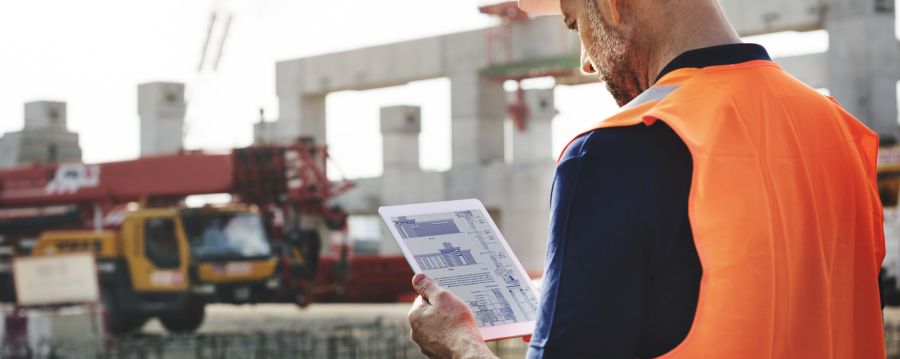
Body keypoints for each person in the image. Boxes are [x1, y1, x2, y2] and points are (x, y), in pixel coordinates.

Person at [407, 0, 887, 358]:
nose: (587, 63)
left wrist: (460, 343)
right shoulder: (839, 130)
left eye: (577, 24)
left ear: (613, 6)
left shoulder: (614, 150)